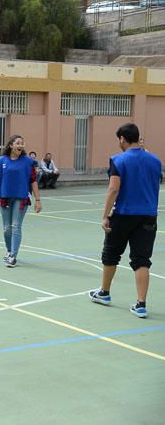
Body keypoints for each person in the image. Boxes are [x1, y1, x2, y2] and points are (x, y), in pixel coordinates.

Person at [89, 123, 161, 319]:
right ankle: (141, 304)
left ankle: (104, 292)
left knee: (111, 253)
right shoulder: (155, 161)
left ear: (122, 139)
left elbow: (114, 189)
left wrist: (104, 215)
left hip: (123, 214)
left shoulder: (119, 160)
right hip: (148, 215)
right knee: (142, 259)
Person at [0, 135, 42, 268]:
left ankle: (13, 255)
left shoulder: (27, 162)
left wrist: (38, 200)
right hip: (5, 197)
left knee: (15, 226)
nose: (20, 145)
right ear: (11, 145)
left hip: (22, 197)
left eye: (22, 143)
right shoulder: (1, 161)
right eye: (18, 143)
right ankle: (9, 250)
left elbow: (33, 181)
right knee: (6, 228)